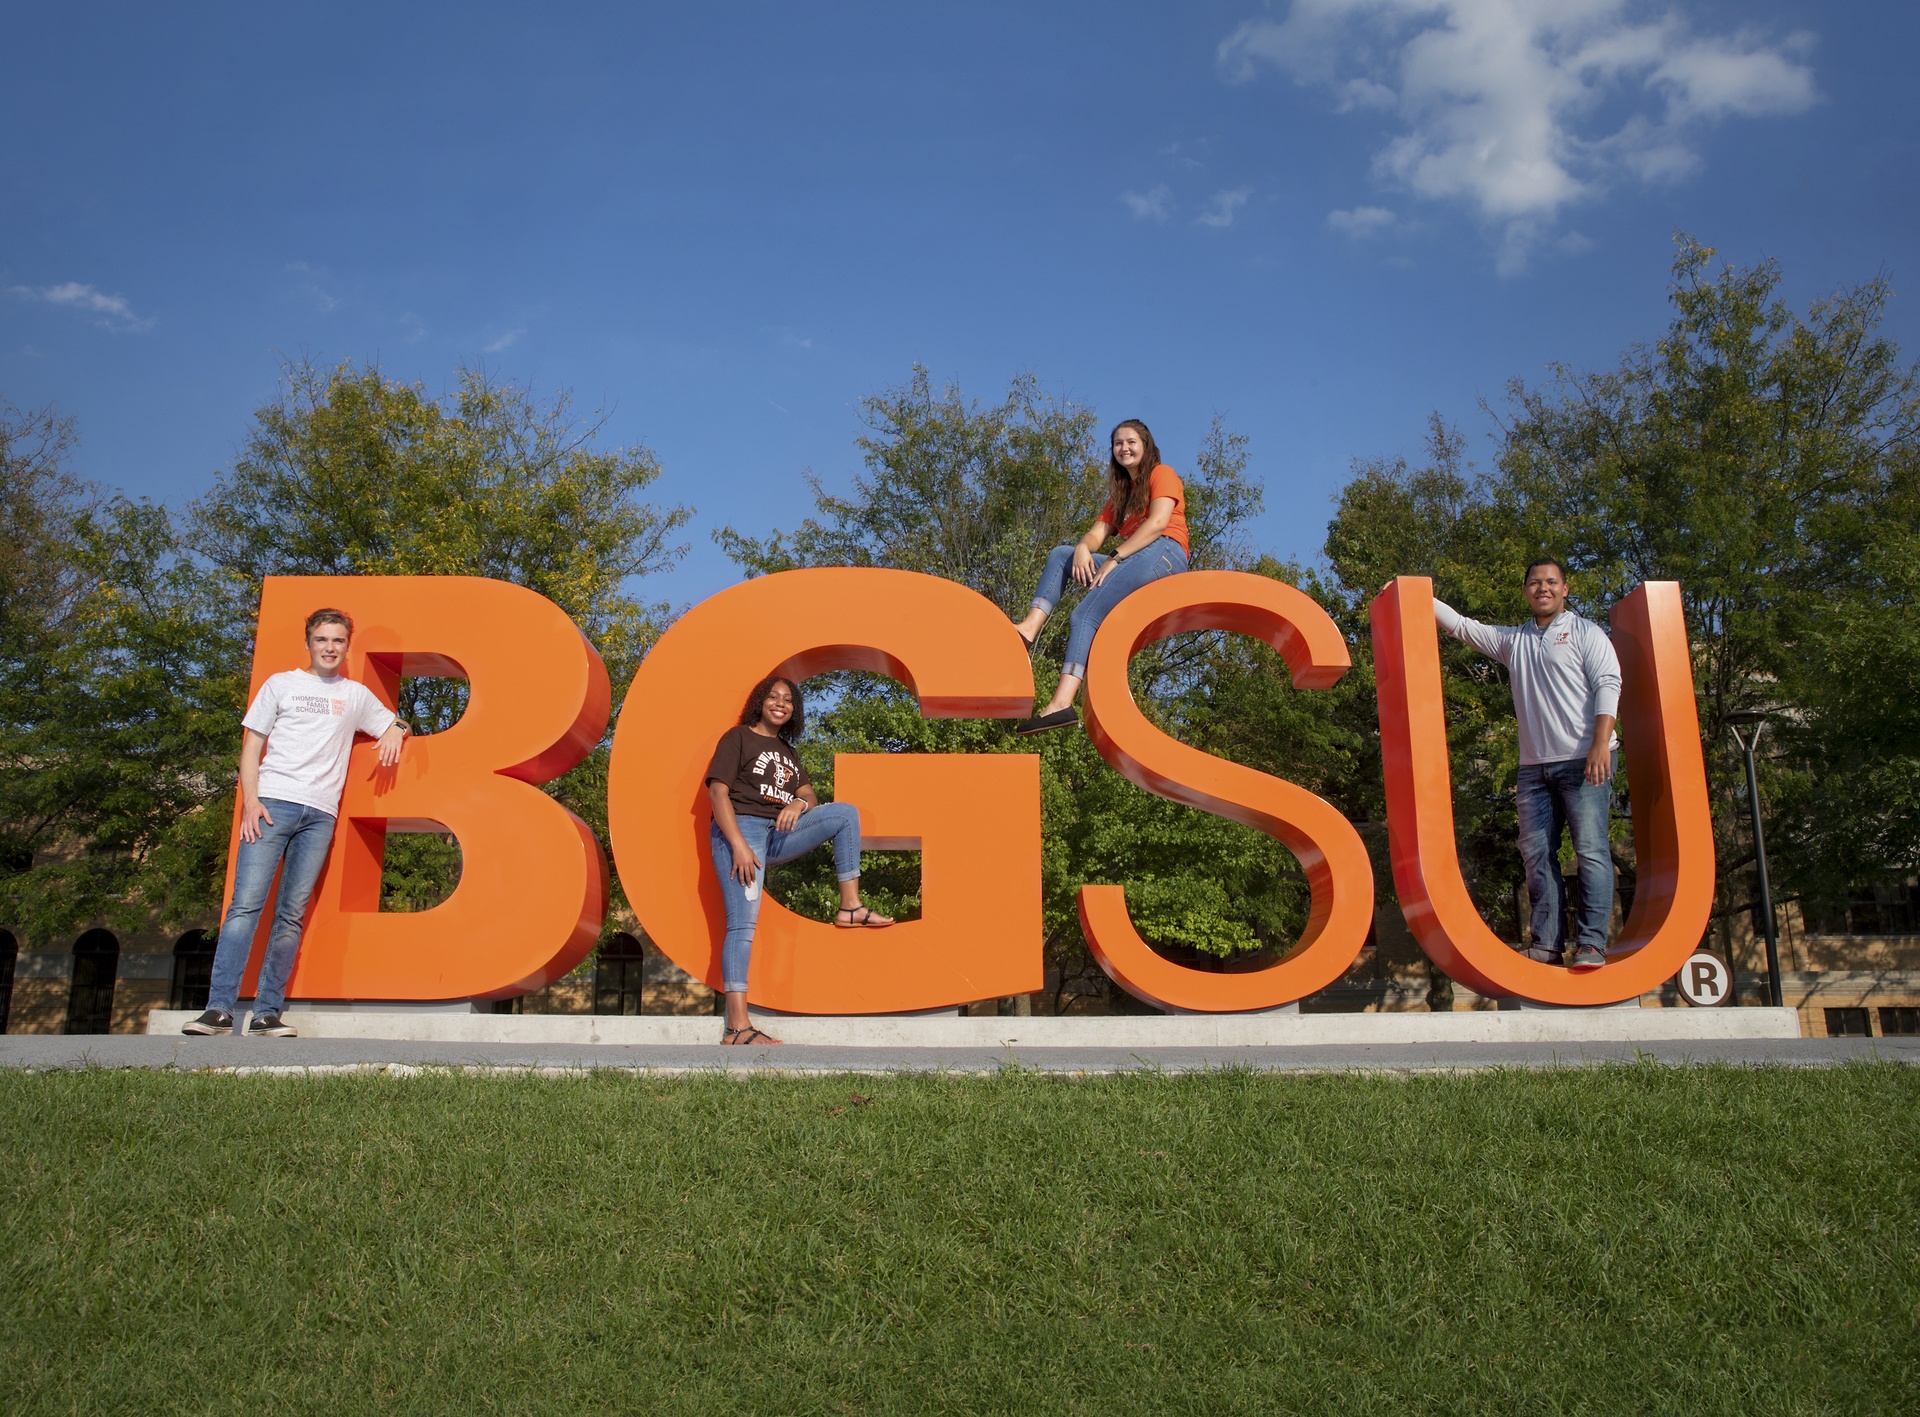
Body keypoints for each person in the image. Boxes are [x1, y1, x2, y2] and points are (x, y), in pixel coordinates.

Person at [183, 609, 409, 1037]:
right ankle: (218, 1010)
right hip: (271, 805)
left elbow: (393, 720)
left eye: (338, 641)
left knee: (290, 916)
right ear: (308, 643)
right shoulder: (280, 685)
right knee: (245, 907)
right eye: (322, 639)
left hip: (320, 816)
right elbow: (252, 748)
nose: (329, 648)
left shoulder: (355, 695)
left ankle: (266, 1013)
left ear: (347, 647)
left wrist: (397, 727)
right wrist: (251, 802)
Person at [1431, 559, 1622, 971]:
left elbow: (1608, 683)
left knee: (1590, 850)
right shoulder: (1513, 641)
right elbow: (1462, 626)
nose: (1543, 588)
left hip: (1585, 760)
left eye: (1551, 582)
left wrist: (1600, 744)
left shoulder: (1586, 633)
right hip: (1534, 769)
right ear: (1525, 591)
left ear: (1565, 589)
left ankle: (1591, 944)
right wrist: (1414, 595)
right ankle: (1546, 945)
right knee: (1536, 854)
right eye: (1535, 583)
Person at [706, 675, 892, 1045]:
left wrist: (797, 803)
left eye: (788, 700)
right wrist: (738, 845)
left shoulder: (787, 752)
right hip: (742, 831)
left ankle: (850, 906)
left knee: (844, 814)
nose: (780, 703)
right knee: (743, 925)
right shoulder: (738, 737)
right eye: (773, 696)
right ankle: (736, 1027)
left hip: (778, 833)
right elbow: (717, 792)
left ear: (794, 710)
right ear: (760, 701)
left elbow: (810, 795)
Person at [1012, 419, 1190, 734]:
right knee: (1062, 555)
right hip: (1135, 558)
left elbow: (1158, 523)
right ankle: (1027, 630)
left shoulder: (1161, 474)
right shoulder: (1121, 496)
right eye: (1118, 443)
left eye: (1131, 442)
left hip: (1165, 555)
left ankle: (1062, 703)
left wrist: (1114, 557)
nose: (1124, 448)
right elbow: (1096, 534)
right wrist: (1083, 548)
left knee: (1085, 614)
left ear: (1146, 446)